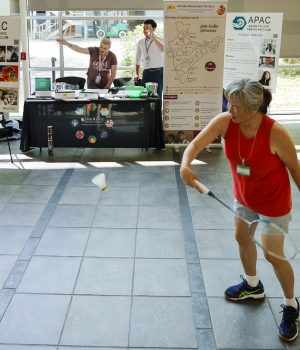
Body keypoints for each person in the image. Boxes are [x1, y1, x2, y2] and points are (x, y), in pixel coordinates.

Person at [180, 79, 300, 342]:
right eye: (229, 103)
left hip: (274, 205)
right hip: (244, 199)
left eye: (235, 106)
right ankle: (253, 286)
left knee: (273, 255)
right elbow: (195, 145)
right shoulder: (225, 121)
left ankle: (292, 305)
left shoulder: (275, 133)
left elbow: (295, 170)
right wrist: (185, 165)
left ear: (253, 109)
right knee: (242, 238)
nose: (229, 109)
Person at [135, 19, 164, 101]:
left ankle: (157, 114)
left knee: (157, 96)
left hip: (159, 72)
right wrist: (137, 74)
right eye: (144, 28)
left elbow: (163, 49)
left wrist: (153, 36)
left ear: (154, 29)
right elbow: (138, 59)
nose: (145, 30)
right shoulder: (140, 42)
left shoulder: (160, 39)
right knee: (145, 97)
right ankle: (147, 113)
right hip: (146, 72)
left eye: (147, 28)